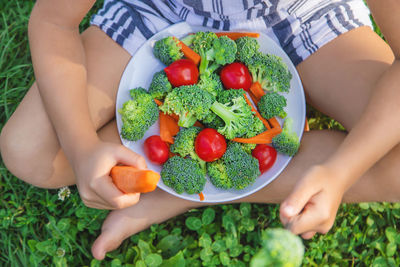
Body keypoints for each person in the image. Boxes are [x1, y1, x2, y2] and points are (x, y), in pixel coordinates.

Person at [1, 0, 399, 261]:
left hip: (304, 14)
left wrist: (342, 170)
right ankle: (176, 180)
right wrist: (81, 146)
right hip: (158, 10)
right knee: (28, 151)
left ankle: (178, 194)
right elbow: (54, 21)